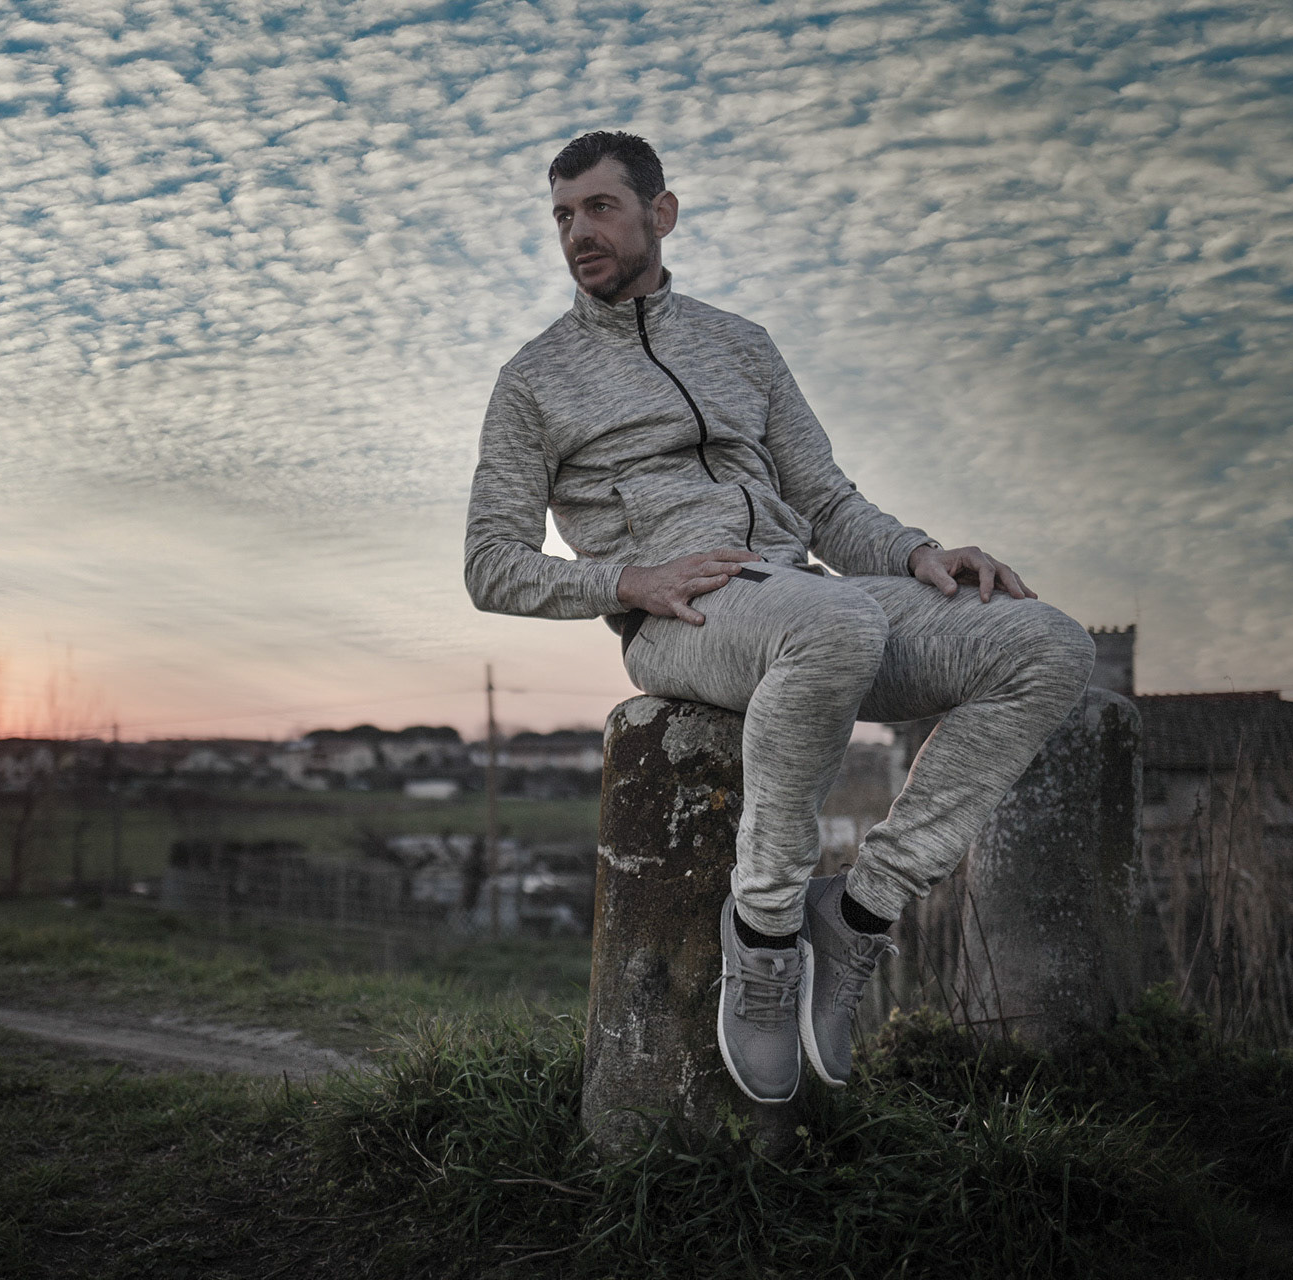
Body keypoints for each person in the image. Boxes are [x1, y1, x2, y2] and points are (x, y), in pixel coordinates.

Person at [463, 131, 1095, 1103]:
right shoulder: (534, 380)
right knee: (832, 622)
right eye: (560, 215)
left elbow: (829, 502)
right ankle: (761, 933)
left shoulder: (741, 344)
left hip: (810, 595)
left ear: (658, 214)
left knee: (1045, 641)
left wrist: (922, 555)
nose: (576, 232)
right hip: (683, 619)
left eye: (597, 207)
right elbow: (490, 564)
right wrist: (628, 580)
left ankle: (863, 908)